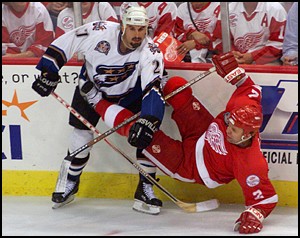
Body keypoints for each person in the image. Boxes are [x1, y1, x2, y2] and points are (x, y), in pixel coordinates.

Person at [92, 52, 278, 234]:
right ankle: (150, 79)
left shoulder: (251, 163)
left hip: (190, 166)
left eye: (235, 130)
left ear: (248, 135)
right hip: (202, 133)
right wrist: (235, 73)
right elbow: (248, 87)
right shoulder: (243, 109)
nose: (229, 129)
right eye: (229, 123)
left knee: (141, 132)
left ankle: (94, 100)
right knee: (176, 86)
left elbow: (265, 200)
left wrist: (254, 215)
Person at [31, 6, 166, 215]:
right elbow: (67, 43)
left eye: (142, 29)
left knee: (147, 135)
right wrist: (49, 72)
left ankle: (146, 187)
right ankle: (71, 182)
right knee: (81, 137)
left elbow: (153, 88)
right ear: (122, 26)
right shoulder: (98, 31)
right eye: (132, 29)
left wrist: (150, 120)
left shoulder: (151, 50)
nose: (138, 35)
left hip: (130, 94)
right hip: (90, 89)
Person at [212, 2, 287, 65]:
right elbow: (219, 40)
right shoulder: (228, 9)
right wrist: (232, 54)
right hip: (235, 60)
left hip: (266, 61)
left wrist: (253, 57)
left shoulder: (275, 9)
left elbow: (279, 44)